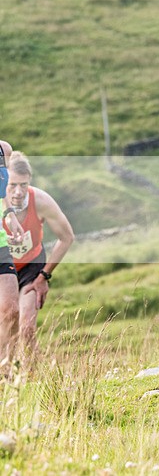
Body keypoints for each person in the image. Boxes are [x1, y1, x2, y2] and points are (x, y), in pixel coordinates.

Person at [2, 152, 75, 353]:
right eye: (13, 185)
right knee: (5, 327)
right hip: (3, 268)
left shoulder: (41, 201)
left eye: (23, 185)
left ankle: (34, 379)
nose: (18, 192)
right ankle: (7, 375)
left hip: (30, 268)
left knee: (26, 329)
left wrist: (44, 276)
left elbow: (67, 237)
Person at [0, 139, 24, 369]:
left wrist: (10, 214)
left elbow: (1, 188)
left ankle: (7, 369)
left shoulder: (2, 150)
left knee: (11, 310)